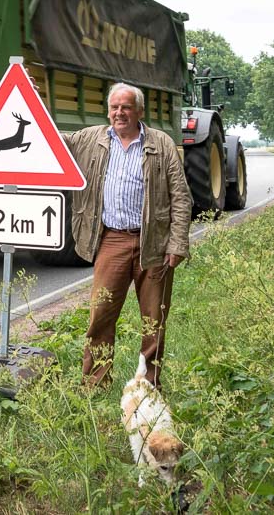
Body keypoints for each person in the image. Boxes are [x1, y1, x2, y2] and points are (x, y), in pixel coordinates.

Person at [65, 82, 192, 389]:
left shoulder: (160, 143)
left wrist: (177, 243)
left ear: (139, 111)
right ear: (108, 111)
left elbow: (181, 196)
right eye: (114, 107)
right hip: (112, 240)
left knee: (154, 320)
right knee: (101, 316)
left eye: (126, 107)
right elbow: (56, 143)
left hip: (155, 243)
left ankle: (149, 384)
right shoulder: (90, 139)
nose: (119, 113)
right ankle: (96, 384)